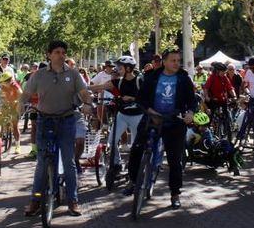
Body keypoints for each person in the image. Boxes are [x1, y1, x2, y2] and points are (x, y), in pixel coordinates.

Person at [20, 40, 94, 217]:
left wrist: (87, 104)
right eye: (57, 52)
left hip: (67, 120)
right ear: (49, 54)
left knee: (68, 162)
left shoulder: (74, 74)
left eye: (63, 52)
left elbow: (84, 93)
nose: (61, 55)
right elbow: (26, 94)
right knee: (42, 163)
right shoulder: (38, 75)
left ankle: (72, 200)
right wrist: (22, 105)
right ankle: (35, 201)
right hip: (45, 121)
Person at [124, 48, 197, 209]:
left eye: (178, 60)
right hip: (152, 118)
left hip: (174, 122)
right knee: (136, 149)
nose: (177, 63)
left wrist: (190, 113)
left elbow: (192, 101)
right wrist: (151, 111)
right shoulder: (152, 77)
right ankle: (133, 180)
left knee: (174, 160)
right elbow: (141, 99)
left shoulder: (184, 79)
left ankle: (175, 193)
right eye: (173, 60)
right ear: (164, 61)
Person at [90, 55, 143, 168]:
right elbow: (100, 86)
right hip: (122, 115)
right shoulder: (117, 82)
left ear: (128, 68)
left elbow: (147, 98)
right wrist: (81, 87)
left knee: (136, 145)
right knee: (111, 141)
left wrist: (133, 98)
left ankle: (134, 168)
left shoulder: (139, 81)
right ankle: (116, 163)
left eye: (120, 67)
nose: (117, 69)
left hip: (137, 116)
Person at [185, 111, 241, 175]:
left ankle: (233, 158)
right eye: (203, 126)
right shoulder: (190, 132)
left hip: (211, 148)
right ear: (196, 125)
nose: (205, 127)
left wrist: (215, 142)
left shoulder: (206, 130)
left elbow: (211, 138)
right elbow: (188, 146)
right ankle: (228, 153)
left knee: (228, 144)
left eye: (206, 125)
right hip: (199, 151)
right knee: (211, 143)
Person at [0, 69, 24, 154]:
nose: (6, 83)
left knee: (15, 126)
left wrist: (17, 101)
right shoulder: (2, 86)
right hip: (6, 105)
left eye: (8, 80)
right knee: (0, 118)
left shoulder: (15, 85)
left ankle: (17, 146)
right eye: (4, 81)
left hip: (15, 106)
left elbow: (21, 94)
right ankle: (3, 132)